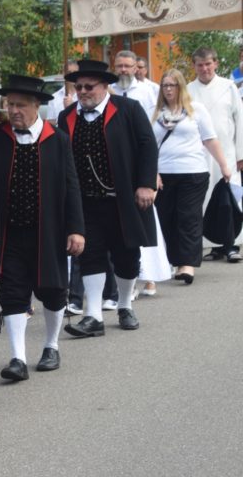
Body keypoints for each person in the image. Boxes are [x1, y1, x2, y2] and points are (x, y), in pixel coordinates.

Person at [0, 76, 85, 379]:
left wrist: (76, 228)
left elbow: (71, 186)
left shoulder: (57, 139)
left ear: (36, 106)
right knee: (12, 292)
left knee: (53, 291)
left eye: (20, 105)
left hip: (48, 233)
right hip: (9, 233)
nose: (14, 110)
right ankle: (17, 358)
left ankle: (51, 346)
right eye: (9, 104)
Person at [58, 59, 158, 337]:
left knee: (126, 254)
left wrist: (146, 184)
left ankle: (125, 305)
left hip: (122, 199)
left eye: (88, 87)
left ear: (104, 86)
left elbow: (148, 146)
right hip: (85, 202)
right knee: (89, 254)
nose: (82, 92)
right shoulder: (67, 116)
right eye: (78, 87)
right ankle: (93, 316)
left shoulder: (128, 109)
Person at [152, 69, 233, 285]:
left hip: (193, 171)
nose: (168, 89)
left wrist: (224, 165)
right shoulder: (155, 112)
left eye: (173, 85)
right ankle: (172, 260)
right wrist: (153, 172)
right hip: (163, 173)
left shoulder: (196, 110)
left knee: (188, 217)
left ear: (181, 87)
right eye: (165, 85)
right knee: (166, 218)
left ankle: (186, 264)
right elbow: (148, 146)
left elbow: (210, 139)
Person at [187, 47, 243, 263]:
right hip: (199, 153)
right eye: (200, 65)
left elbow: (240, 120)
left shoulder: (228, 87)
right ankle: (214, 245)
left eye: (208, 64)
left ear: (216, 64)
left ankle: (231, 244)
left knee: (229, 200)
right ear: (194, 66)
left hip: (226, 153)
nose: (205, 69)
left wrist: (240, 154)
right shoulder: (188, 90)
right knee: (206, 199)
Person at [111, 51, 156, 118]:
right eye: (119, 66)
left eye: (127, 66)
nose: (123, 69)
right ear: (115, 68)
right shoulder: (108, 90)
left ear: (135, 69)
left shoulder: (146, 91)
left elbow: (151, 118)